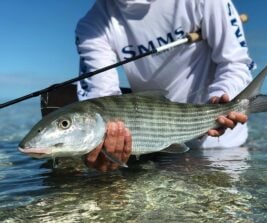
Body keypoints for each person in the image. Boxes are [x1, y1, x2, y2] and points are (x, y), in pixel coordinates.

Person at [75, 0, 254, 171]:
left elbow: (235, 62)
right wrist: (105, 149)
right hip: (158, 151)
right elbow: (102, 99)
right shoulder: (91, 26)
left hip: (226, 148)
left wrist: (222, 99)